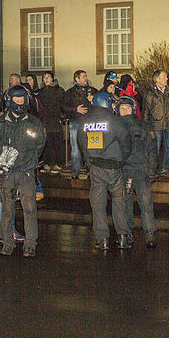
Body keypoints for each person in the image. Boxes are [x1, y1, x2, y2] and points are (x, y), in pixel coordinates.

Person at [0, 85, 46, 257]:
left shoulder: (34, 123)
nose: (20, 102)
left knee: (29, 209)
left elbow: (40, 144)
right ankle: (7, 243)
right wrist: (5, 160)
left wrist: (30, 161)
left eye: (22, 99)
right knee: (7, 209)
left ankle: (30, 244)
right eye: (16, 99)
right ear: (9, 101)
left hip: (26, 172)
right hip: (7, 173)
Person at [78, 91, 132, 250]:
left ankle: (102, 239)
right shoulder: (114, 121)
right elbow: (126, 142)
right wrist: (122, 158)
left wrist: (89, 160)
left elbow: (82, 143)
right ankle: (122, 237)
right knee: (119, 202)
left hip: (95, 168)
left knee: (98, 204)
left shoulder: (85, 121)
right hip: (114, 168)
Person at [118, 96, 158, 248]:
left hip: (141, 169)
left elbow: (152, 148)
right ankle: (127, 233)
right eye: (122, 109)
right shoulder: (115, 127)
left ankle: (149, 233)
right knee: (125, 204)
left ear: (133, 109)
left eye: (128, 108)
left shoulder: (144, 126)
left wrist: (152, 169)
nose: (125, 111)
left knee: (146, 202)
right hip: (123, 170)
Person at [143, 69, 169, 177]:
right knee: (155, 149)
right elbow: (146, 111)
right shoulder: (150, 93)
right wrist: (147, 126)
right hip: (156, 125)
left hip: (168, 124)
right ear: (157, 79)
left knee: (168, 148)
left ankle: (164, 169)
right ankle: (153, 170)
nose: (167, 78)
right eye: (164, 77)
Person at [62, 70, 91, 179]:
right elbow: (63, 107)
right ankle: (75, 170)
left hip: (88, 123)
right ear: (77, 79)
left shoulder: (91, 91)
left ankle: (90, 170)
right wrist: (75, 109)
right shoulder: (69, 93)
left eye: (86, 76)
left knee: (90, 147)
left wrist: (92, 101)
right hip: (75, 123)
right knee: (75, 149)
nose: (85, 78)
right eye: (83, 76)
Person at [38, 72, 64, 173]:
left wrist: (61, 117)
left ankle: (59, 164)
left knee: (57, 143)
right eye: (44, 78)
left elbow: (62, 105)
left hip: (56, 119)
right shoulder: (41, 92)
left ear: (53, 79)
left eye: (48, 77)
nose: (46, 79)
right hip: (45, 120)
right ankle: (46, 163)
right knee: (46, 143)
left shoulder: (59, 90)